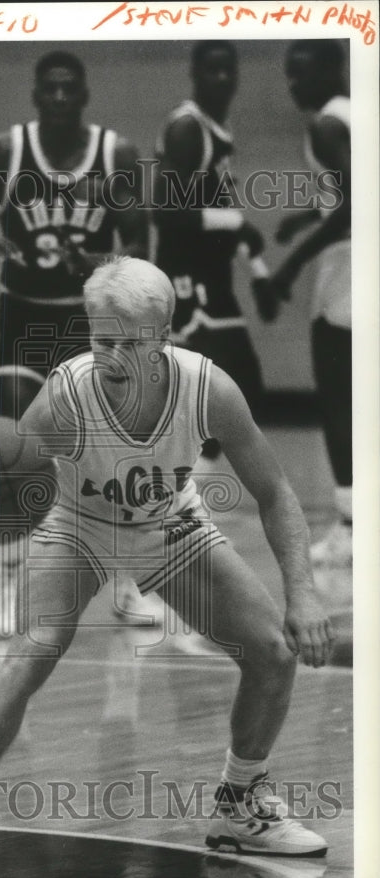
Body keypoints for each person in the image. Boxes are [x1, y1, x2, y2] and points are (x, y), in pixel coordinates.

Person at [0, 257, 332, 878]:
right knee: (35, 646)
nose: (108, 356)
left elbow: (276, 493)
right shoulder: (66, 396)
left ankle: (240, 803)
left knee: (272, 649)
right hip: (76, 524)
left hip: (166, 525)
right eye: (99, 340)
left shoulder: (208, 389)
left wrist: (304, 594)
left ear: (162, 337)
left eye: (125, 343)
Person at [0, 49, 147, 634]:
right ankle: (13, 580)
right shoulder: (2, 152)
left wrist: (102, 259)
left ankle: (127, 578)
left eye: (69, 89)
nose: (59, 98)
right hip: (24, 319)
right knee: (14, 448)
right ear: (36, 95)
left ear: (84, 96)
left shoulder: (117, 155)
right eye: (49, 89)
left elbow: (139, 245)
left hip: (90, 323)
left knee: (109, 450)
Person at [153, 40, 279, 460]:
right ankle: (171, 502)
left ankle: (180, 503)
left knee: (226, 400)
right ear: (195, 73)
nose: (222, 78)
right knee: (225, 392)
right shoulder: (189, 129)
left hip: (213, 277)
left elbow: (222, 212)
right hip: (187, 278)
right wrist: (235, 223)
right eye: (212, 70)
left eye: (229, 70)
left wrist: (258, 270)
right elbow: (165, 212)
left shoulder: (220, 131)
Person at [272, 40, 351, 568]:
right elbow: (342, 194)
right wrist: (308, 214)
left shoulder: (326, 124)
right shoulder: (355, 114)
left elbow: (355, 206)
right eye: (289, 74)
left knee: (339, 401)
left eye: (303, 73)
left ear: (332, 68)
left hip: (350, 279)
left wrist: (291, 263)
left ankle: (350, 528)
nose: (294, 84)